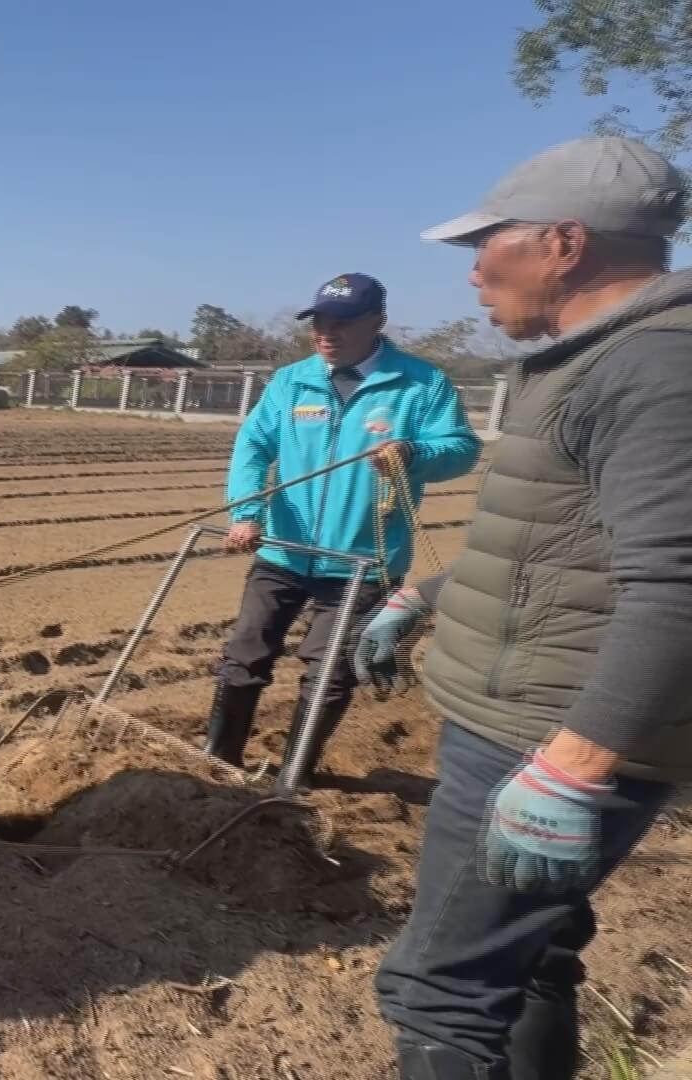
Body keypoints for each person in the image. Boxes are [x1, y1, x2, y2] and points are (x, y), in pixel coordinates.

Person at [353, 134, 692, 1079]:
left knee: (442, 994)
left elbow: (680, 587)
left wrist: (572, 770)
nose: (472, 275)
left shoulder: (655, 370)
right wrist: (424, 595)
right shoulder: (602, 360)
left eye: (484, 246)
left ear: (563, 244)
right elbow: (560, 547)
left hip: (540, 735)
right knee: (531, 958)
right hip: (539, 715)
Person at [203, 272, 482, 776]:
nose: (326, 333)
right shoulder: (291, 381)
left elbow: (461, 449)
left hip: (364, 560)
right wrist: (246, 513)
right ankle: (218, 762)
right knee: (243, 659)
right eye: (320, 322)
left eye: (343, 322)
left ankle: (295, 776)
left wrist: (413, 453)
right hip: (283, 550)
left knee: (328, 673)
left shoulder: (421, 384)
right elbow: (253, 446)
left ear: (377, 322)